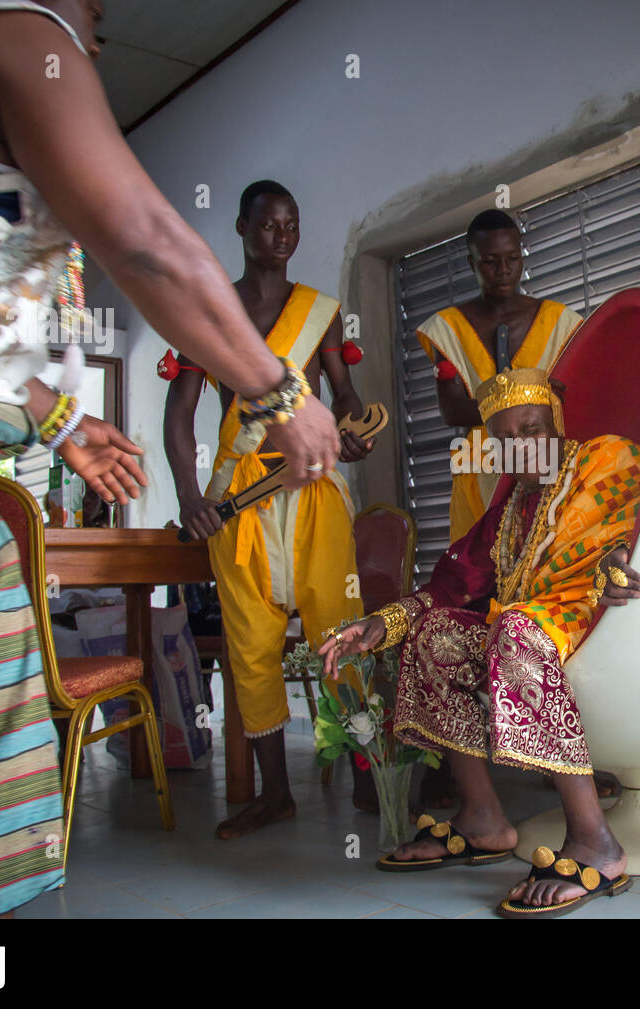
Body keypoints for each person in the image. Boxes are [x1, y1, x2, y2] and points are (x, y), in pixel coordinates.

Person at [0, 0, 337, 918]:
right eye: (97, 11)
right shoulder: (21, 27)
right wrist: (281, 398)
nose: (97, 34)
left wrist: (60, 419)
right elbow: (149, 245)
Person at [320, 368, 640, 917]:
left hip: (606, 617)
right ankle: (482, 819)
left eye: (534, 427)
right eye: (507, 438)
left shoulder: (606, 459)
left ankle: (597, 844)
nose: (524, 445)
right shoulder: (509, 510)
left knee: (515, 630)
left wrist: (619, 564)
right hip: (530, 624)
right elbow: (453, 584)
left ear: (556, 422)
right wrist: (382, 623)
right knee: (436, 632)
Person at [164, 180, 377, 833]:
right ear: (241, 227)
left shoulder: (321, 312)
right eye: (268, 225)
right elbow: (179, 416)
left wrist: (356, 427)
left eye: (291, 225)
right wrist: (189, 495)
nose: (281, 236)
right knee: (250, 643)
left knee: (339, 629)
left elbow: (345, 395)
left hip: (312, 486)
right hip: (241, 501)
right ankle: (274, 791)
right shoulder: (210, 311)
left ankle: (373, 772)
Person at [417, 209, 583, 542]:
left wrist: (505, 405)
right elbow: (452, 410)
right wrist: (532, 398)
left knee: (544, 557)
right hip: (478, 462)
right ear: (471, 263)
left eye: (512, 259)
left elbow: (575, 394)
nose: (504, 271)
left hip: (545, 457)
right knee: (481, 569)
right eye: (490, 261)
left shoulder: (560, 321)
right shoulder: (447, 327)